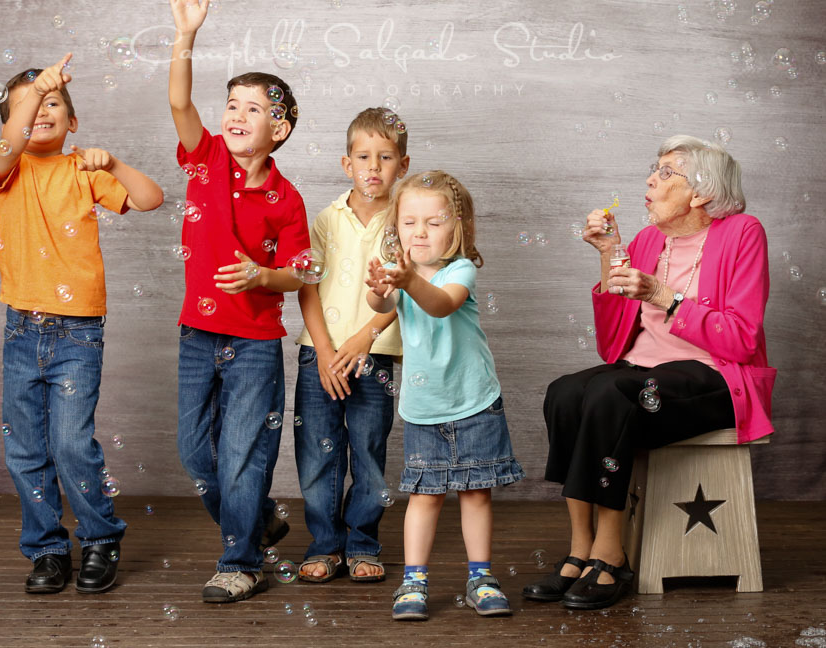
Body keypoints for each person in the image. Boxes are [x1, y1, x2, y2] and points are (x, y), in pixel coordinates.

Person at [522, 135, 776, 610]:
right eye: (653, 170)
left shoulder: (743, 233)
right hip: (644, 371)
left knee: (610, 393)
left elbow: (742, 339)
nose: (649, 180)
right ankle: (580, 550)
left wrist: (663, 295)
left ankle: (611, 554)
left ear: (700, 192)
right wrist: (608, 252)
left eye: (665, 173)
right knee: (565, 392)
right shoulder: (647, 241)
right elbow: (612, 342)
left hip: (715, 377)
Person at [0, 53, 163, 594]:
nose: (40, 110)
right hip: (22, 329)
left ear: (73, 121)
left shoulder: (82, 172)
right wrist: (39, 86)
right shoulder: (4, 166)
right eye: (27, 106)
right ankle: (46, 550)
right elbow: (12, 141)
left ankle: (100, 536)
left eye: (53, 102)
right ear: (8, 126)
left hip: (78, 331)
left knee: (71, 443)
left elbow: (150, 198)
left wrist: (110, 165)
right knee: (25, 448)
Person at [167, 0, 310, 604]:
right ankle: (258, 522)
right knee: (197, 453)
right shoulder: (206, 159)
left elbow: (305, 272)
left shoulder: (287, 198)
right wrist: (184, 37)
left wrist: (262, 275)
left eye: (253, 108)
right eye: (232, 105)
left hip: (254, 340)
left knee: (243, 454)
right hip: (198, 332)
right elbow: (179, 104)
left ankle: (240, 560)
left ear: (278, 130)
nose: (236, 115)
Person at [366, 171, 524, 621]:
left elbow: (439, 303)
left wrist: (404, 281)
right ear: (395, 227)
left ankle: (480, 576)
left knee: (476, 494)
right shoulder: (401, 274)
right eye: (409, 222)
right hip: (423, 408)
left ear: (458, 228)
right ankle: (414, 580)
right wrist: (380, 292)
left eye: (433, 223)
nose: (419, 232)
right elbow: (383, 308)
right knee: (425, 496)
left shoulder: (460, 270)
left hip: (474, 401)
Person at [294, 107, 409, 584]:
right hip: (319, 353)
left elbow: (407, 288)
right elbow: (306, 285)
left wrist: (366, 337)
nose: (373, 167)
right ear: (347, 164)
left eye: (385, 157)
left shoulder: (407, 221)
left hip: (376, 352)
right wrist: (324, 350)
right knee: (318, 452)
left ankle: (362, 542)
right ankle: (325, 544)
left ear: (402, 165)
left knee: (368, 450)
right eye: (364, 156)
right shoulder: (326, 218)